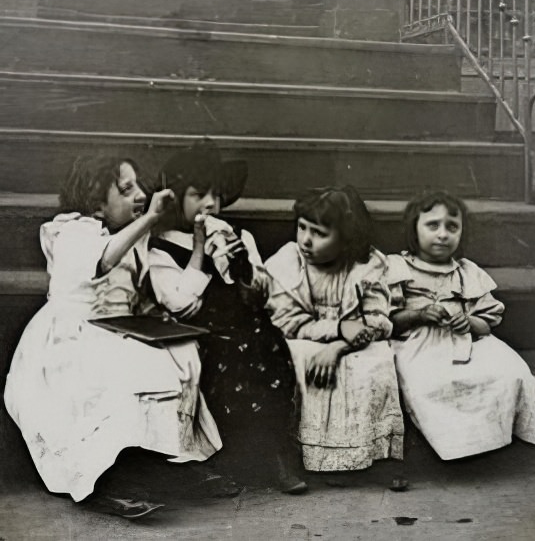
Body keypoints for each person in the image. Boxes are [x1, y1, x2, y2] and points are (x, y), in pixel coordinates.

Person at [3, 156, 221, 517]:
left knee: (179, 352)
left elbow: (177, 298)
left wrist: (198, 246)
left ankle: (165, 466)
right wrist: (151, 217)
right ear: (95, 201)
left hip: (120, 327)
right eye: (126, 189)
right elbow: (101, 261)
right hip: (72, 335)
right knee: (113, 372)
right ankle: (106, 479)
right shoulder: (71, 231)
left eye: (138, 185)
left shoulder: (136, 237)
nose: (139, 194)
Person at [147, 141, 307, 494]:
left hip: (247, 326)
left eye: (216, 195)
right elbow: (179, 303)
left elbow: (264, 294)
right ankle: (232, 458)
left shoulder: (237, 235)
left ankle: (277, 454)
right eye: (199, 194)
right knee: (232, 359)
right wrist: (202, 250)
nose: (210, 204)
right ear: (176, 198)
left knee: (267, 346)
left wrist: (243, 267)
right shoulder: (160, 247)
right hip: (202, 332)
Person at [387, 190, 535, 460]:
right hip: (419, 345)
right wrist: (420, 314)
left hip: (466, 342)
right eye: (432, 225)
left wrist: (469, 321)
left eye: (452, 227)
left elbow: (487, 324)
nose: (443, 234)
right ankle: (454, 447)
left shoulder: (467, 272)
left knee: (510, 372)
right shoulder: (400, 268)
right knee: (428, 383)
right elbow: (389, 321)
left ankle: (488, 442)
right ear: (414, 229)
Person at [262, 186, 405, 479]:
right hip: (304, 335)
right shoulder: (289, 261)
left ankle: (371, 453)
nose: (305, 240)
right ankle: (305, 453)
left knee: (372, 363)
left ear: (345, 238)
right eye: (302, 227)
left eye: (319, 233)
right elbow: (284, 319)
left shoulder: (366, 266)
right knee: (300, 357)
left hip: (356, 339)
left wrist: (338, 346)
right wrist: (337, 328)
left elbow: (377, 319)